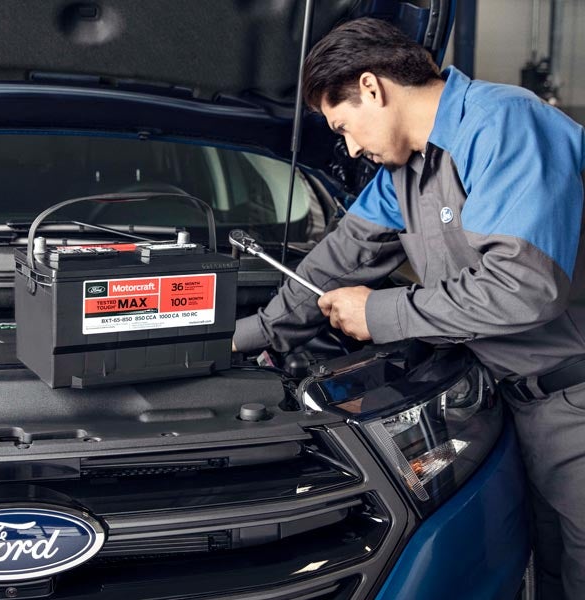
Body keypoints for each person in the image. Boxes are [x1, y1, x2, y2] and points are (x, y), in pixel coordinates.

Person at [233, 16, 585, 599]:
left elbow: (526, 286)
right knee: (545, 572)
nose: (348, 147)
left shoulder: (504, 124)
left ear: (372, 87)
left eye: (343, 125)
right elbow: (336, 261)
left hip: (574, 403)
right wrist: (250, 337)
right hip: (509, 406)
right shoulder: (406, 170)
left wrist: (381, 314)